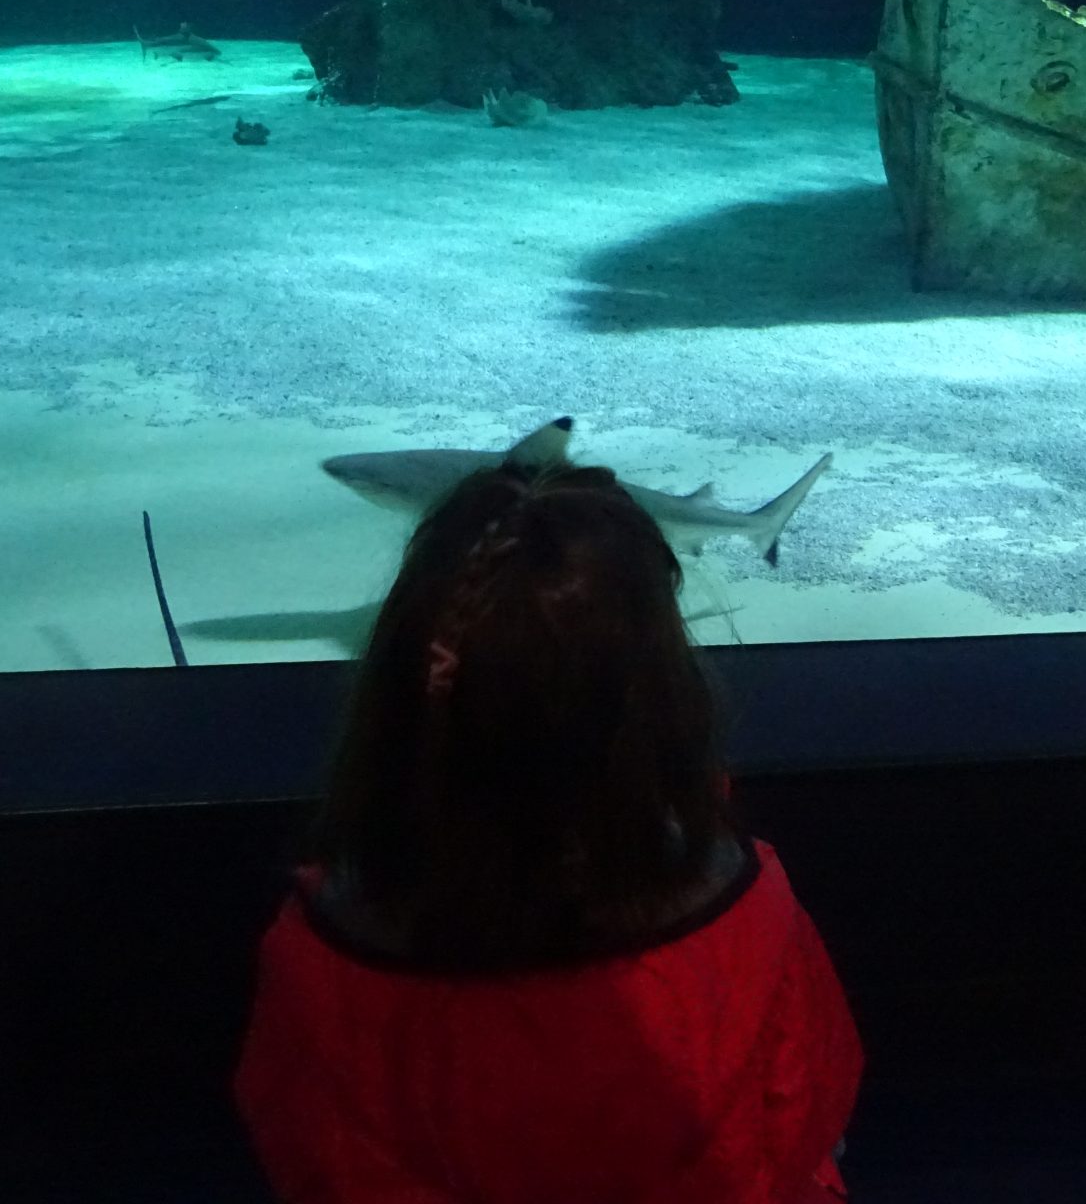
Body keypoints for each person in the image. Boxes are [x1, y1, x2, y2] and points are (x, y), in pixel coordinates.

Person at [235, 458, 862, 1203]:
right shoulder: (749, 912)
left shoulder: (318, 954)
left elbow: (302, 1158)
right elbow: (808, 1117)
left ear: (395, 694)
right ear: (665, 695)